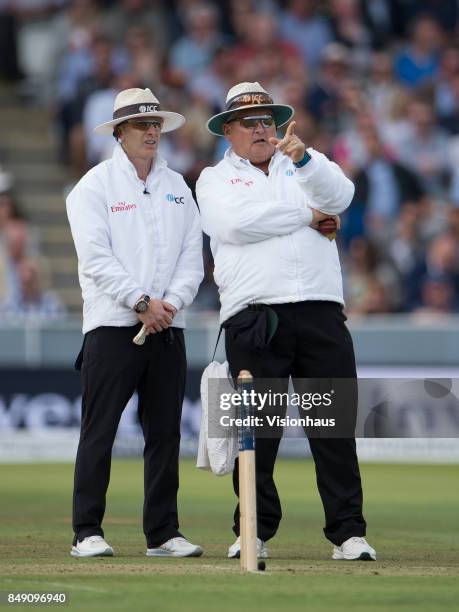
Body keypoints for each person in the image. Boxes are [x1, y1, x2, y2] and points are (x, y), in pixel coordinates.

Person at [196, 81, 376, 561]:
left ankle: (348, 533)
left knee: (333, 427)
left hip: (320, 307)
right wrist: (308, 214)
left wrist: (306, 164)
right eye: (250, 122)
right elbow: (234, 225)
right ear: (228, 131)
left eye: (267, 120)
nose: (261, 129)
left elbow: (342, 196)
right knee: (259, 432)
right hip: (255, 314)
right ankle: (253, 529)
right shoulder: (215, 179)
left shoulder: (306, 162)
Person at [66, 87, 204, 558]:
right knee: (99, 429)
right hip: (110, 325)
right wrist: (140, 301)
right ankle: (87, 532)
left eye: (156, 125)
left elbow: (192, 255)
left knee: (165, 433)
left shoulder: (178, 185)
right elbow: (95, 260)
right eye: (142, 125)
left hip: (168, 325)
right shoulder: (94, 185)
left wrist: (171, 304)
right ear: (119, 133)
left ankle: (163, 534)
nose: (151, 132)